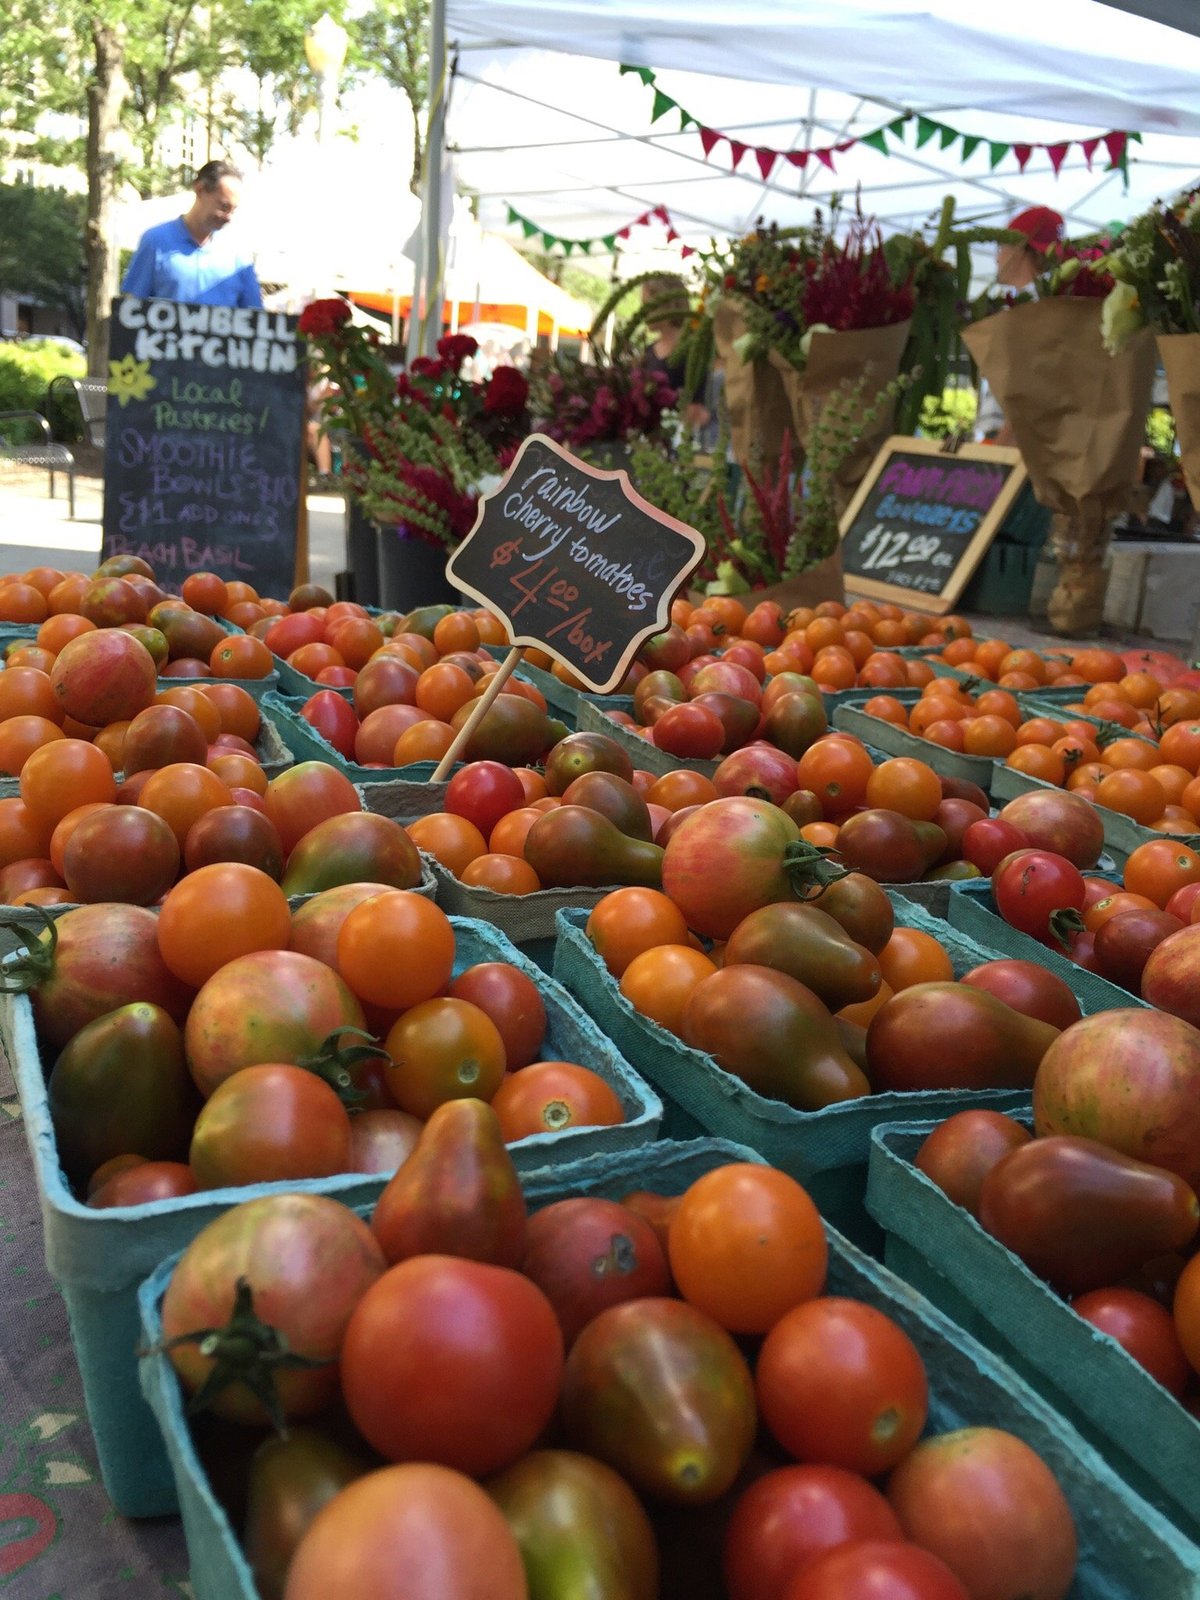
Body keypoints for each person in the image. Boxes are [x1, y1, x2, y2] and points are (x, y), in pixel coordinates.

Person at [976, 205, 1064, 446]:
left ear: (1019, 248)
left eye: (1001, 246)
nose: (997, 257)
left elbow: (1028, 391)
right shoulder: (1042, 304)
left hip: (1015, 446)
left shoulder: (1033, 310)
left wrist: (1001, 445)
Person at [121, 159, 262, 308]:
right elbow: (131, 310)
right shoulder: (155, 242)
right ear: (200, 190)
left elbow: (256, 317)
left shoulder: (239, 255)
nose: (229, 217)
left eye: (234, 210)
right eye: (224, 206)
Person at [639, 273, 710, 432]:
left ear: (669, 304)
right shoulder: (648, 352)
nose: (643, 312)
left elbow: (699, 410)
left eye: (648, 305)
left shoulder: (693, 349)